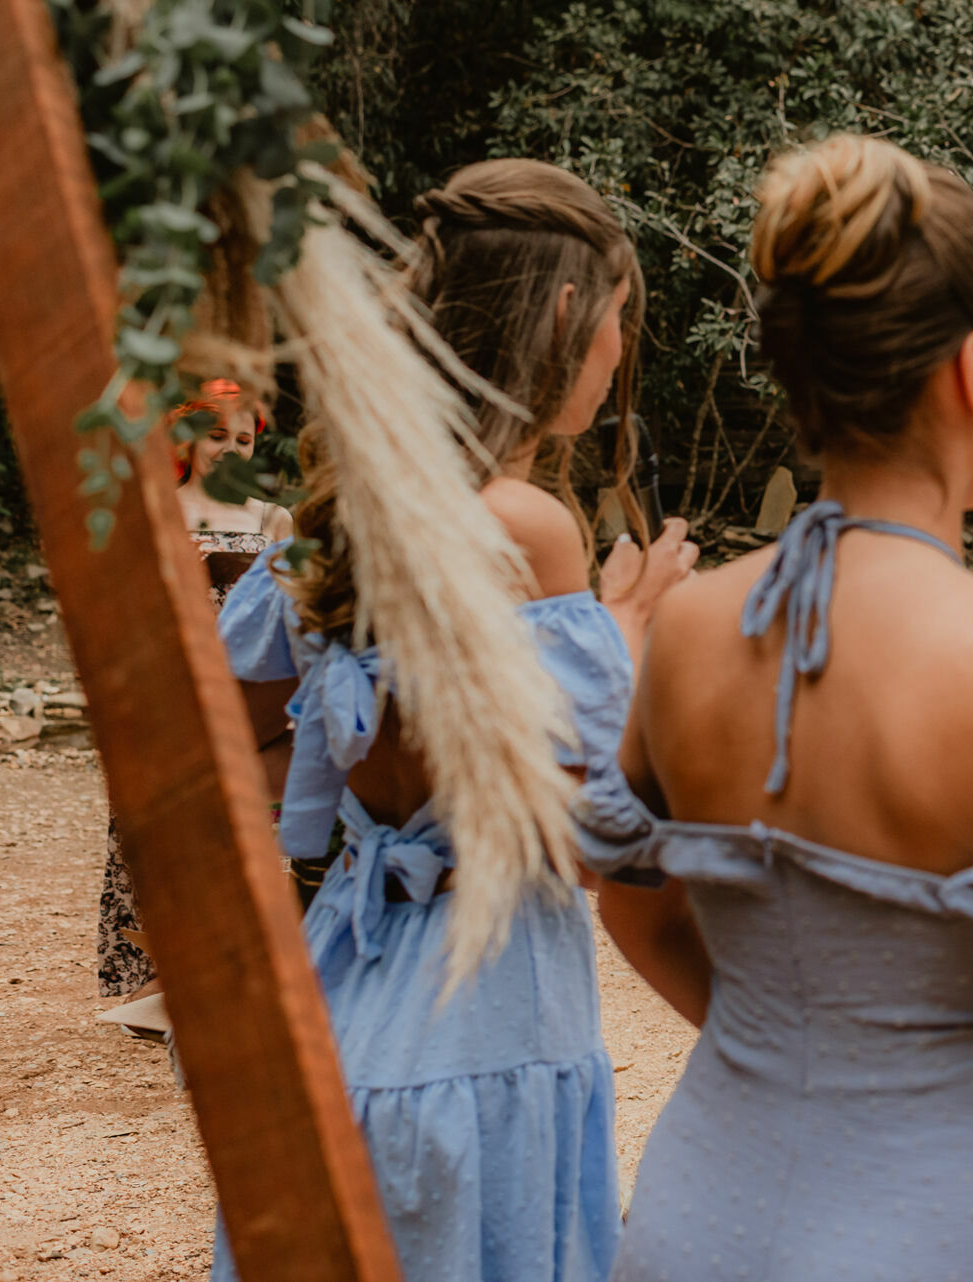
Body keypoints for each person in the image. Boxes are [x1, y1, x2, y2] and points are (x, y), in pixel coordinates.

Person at [579, 134, 973, 1282]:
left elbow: (631, 909)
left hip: (706, 1207)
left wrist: (780, 1049)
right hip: (952, 1221)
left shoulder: (683, 631)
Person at [213, 159, 696, 1282]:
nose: (621, 350)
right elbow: (578, 841)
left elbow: (248, 741)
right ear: (568, 312)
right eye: (620, 316)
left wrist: (371, 810)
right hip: (480, 1019)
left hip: (347, 994)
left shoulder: (341, 519)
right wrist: (629, 632)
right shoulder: (526, 527)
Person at [96, 379, 294, 1004]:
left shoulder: (271, 519)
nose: (232, 449)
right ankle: (159, 978)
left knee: (243, 828)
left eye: (243, 438)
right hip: (166, 691)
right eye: (216, 436)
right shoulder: (154, 508)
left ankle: (236, 972)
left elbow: (292, 615)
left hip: (248, 695)